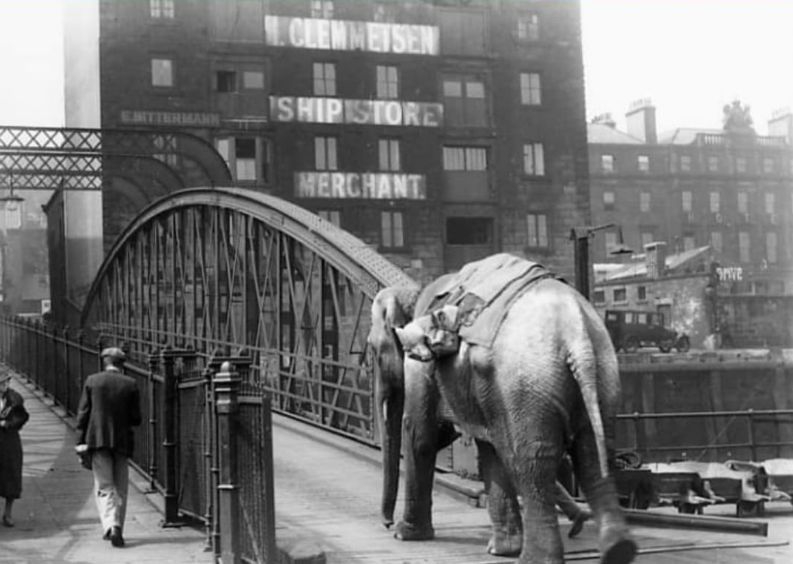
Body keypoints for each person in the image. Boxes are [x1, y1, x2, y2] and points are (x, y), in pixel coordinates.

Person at [76, 347, 141, 548]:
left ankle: (111, 525)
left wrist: (80, 441)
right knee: (121, 486)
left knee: (104, 485)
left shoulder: (92, 381)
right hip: (122, 442)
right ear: (122, 364)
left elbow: (83, 414)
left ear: (105, 362)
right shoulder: (130, 384)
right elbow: (136, 419)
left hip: (98, 440)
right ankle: (118, 526)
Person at [0, 371, 30, 527]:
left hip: (8, 439)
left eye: (6, 382)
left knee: (11, 474)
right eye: (1, 383)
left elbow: (22, 416)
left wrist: (9, 424)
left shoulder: (14, 399)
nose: (4, 386)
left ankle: (8, 513)